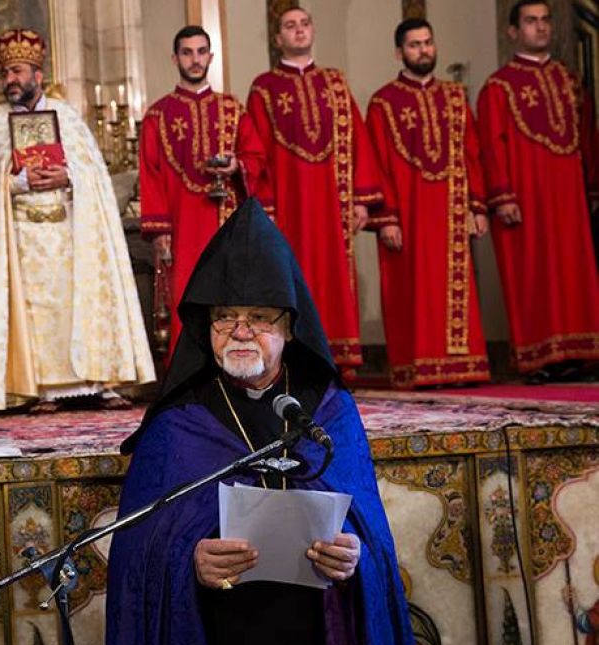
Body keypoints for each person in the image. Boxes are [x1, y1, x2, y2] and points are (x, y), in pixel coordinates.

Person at [106, 201, 415, 645]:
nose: (240, 331)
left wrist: (355, 557)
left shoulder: (329, 410)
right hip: (219, 634)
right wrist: (188, 560)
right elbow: (136, 552)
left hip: (318, 632)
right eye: (225, 316)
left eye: (260, 317)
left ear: (290, 327)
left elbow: (371, 536)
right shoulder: (179, 420)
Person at [0, 28, 154, 413]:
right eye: (6, 73)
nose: (11, 80)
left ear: (38, 74)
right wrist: (19, 180)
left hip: (71, 232)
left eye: (18, 72)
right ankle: (38, 388)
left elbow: (95, 174)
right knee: (35, 315)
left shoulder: (67, 118)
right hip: (22, 237)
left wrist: (69, 176)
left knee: (81, 303)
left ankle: (98, 381)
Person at [247, 7, 385, 376]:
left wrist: (360, 198)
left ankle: (340, 361)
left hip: (333, 205)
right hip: (289, 208)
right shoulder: (264, 88)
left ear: (313, 30)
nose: (299, 31)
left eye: (304, 24)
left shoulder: (336, 84)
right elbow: (256, 151)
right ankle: (297, 363)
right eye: (290, 26)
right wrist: (266, 209)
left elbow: (359, 140)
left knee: (336, 275)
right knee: (293, 275)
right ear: (278, 39)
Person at [477, 0, 599, 383]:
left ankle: (580, 354)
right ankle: (538, 359)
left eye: (546, 20)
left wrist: (592, 187)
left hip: (570, 198)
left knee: (574, 269)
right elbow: (490, 146)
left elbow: (588, 138)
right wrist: (502, 195)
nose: (541, 27)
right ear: (513, 31)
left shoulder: (569, 80)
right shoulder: (498, 87)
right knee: (532, 272)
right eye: (531, 21)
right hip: (525, 199)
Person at [366, 19, 492, 389]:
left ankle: (461, 368)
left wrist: (477, 206)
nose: (423, 50)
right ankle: (418, 371)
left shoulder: (455, 97)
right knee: (410, 290)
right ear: (399, 52)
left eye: (427, 43)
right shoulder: (384, 102)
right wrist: (386, 216)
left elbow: (472, 155)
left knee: (455, 287)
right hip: (407, 214)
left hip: (451, 212)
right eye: (414, 45)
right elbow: (378, 161)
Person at [139, 25, 266, 359]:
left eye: (200, 52)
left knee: (231, 292)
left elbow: (256, 155)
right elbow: (150, 174)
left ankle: (234, 366)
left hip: (227, 221)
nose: (195, 60)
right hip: (182, 226)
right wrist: (159, 230)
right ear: (175, 58)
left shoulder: (232, 108)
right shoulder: (158, 114)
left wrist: (237, 165)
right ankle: (189, 373)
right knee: (186, 294)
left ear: (210, 56)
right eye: (187, 52)